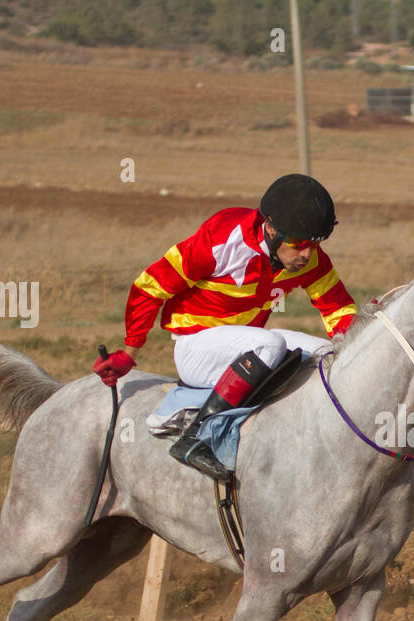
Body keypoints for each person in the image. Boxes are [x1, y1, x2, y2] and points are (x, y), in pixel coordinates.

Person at [93, 173, 358, 480]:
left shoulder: (309, 259)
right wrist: (130, 351)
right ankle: (198, 437)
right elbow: (150, 286)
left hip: (245, 346)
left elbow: (337, 307)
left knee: (326, 353)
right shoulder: (222, 239)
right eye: (298, 244)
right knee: (270, 345)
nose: (306, 255)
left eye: (314, 244)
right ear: (270, 228)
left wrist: (358, 341)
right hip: (195, 345)